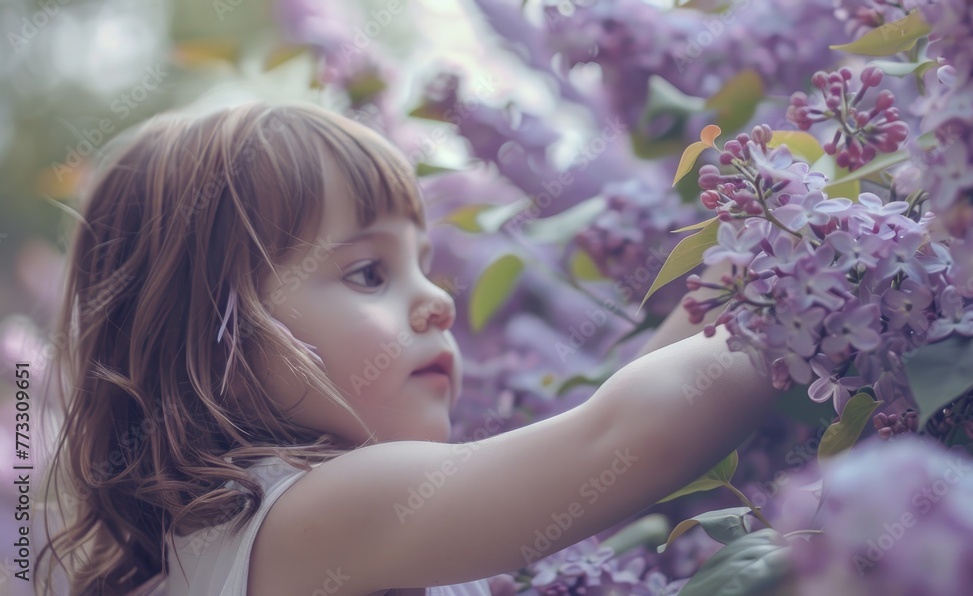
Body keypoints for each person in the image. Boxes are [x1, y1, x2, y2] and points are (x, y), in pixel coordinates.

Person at [35, 101, 780, 596]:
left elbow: (608, 426)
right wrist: (806, 274)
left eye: (427, 264)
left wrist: (737, 276)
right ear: (212, 339)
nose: (439, 302)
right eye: (369, 273)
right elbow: (628, 437)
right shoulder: (302, 516)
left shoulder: (226, 539)